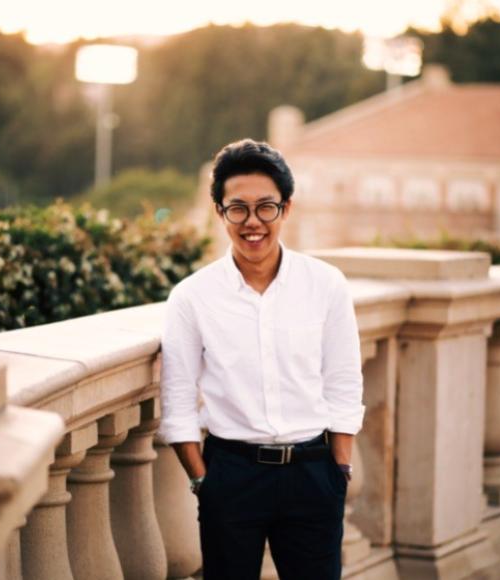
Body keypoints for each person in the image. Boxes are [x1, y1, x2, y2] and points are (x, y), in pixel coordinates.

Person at [159, 138, 364, 580]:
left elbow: (344, 382)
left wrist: (339, 467)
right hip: (231, 475)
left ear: (285, 209)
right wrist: (203, 483)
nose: (253, 222)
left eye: (266, 207)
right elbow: (177, 403)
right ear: (220, 212)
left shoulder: (326, 284)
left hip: (313, 472)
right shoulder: (192, 298)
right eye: (238, 208)